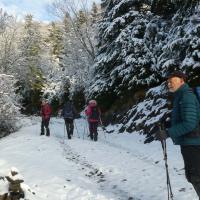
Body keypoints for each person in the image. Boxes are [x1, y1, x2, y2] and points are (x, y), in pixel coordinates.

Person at [155, 71, 200, 198]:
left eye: (172, 80)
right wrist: (168, 124)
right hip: (191, 142)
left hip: (194, 144)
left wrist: (168, 133)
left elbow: (189, 123)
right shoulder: (180, 96)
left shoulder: (186, 96)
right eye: (168, 81)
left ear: (182, 80)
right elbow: (187, 119)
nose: (169, 83)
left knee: (196, 177)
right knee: (194, 176)